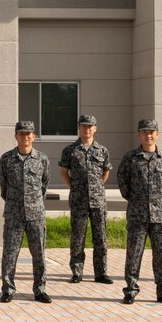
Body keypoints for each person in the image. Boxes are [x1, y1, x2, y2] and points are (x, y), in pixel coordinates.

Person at [118, 118, 162, 305]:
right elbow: (123, 182)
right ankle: (131, 290)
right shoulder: (130, 158)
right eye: (144, 132)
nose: (148, 135)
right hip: (137, 214)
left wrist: (158, 200)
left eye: (151, 132)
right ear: (139, 134)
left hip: (159, 214)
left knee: (161, 254)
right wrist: (136, 200)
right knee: (134, 253)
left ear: (157, 134)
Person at [0, 121, 50, 303]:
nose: (25, 137)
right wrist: (14, 202)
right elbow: (3, 186)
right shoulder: (6, 159)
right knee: (10, 253)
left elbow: (44, 184)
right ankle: (8, 289)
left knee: (39, 253)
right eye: (22, 134)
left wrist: (33, 203)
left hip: (36, 214)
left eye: (29, 134)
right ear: (16, 136)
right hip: (14, 214)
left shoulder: (41, 159)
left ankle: (40, 289)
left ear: (34, 136)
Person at [58, 114, 113, 284]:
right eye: (83, 126)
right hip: (78, 200)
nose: (87, 129)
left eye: (90, 126)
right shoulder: (70, 150)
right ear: (79, 128)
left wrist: (97, 187)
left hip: (98, 200)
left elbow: (106, 172)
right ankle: (76, 271)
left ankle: (101, 273)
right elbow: (63, 172)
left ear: (95, 128)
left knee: (100, 238)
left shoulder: (102, 150)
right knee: (77, 237)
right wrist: (74, 187)